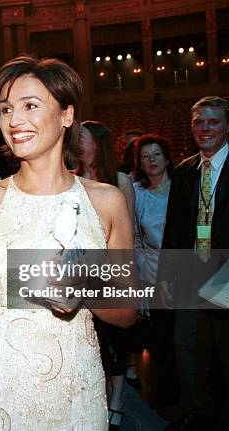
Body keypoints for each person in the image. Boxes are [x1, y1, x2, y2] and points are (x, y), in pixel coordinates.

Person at [0, 56, 135, 430]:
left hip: (77, 393)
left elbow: (126, 312)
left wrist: (84, 288)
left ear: (65, 116)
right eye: (6, 109)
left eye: (30, 106)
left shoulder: (107, 202)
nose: (14, 121)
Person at [159, 96, 229, 431]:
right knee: (188, 349)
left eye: (213, 122)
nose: (205, 128)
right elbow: (173, 230)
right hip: (190, 271)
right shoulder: (185, 171)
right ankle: (198, 413)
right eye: (199, 122)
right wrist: (166, 278)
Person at [77, 120, 136, 429]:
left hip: (110, 270)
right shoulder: (70, 181)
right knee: (96, 342)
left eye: (82, 138)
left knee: (116, 342)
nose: (76, 142)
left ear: (96, 143)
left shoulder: (120, 182)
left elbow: (129, 237)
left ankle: (117, 402)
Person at [132, 133, 177, 408]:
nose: (151, 160)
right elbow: (136, 237)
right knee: (160, 339)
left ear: (167, 157)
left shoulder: (183, 187)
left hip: (183, 270)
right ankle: (165, 396)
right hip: (151, 272)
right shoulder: (137, 193)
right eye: (145, 156)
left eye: (156, 154)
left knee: (185, 338)